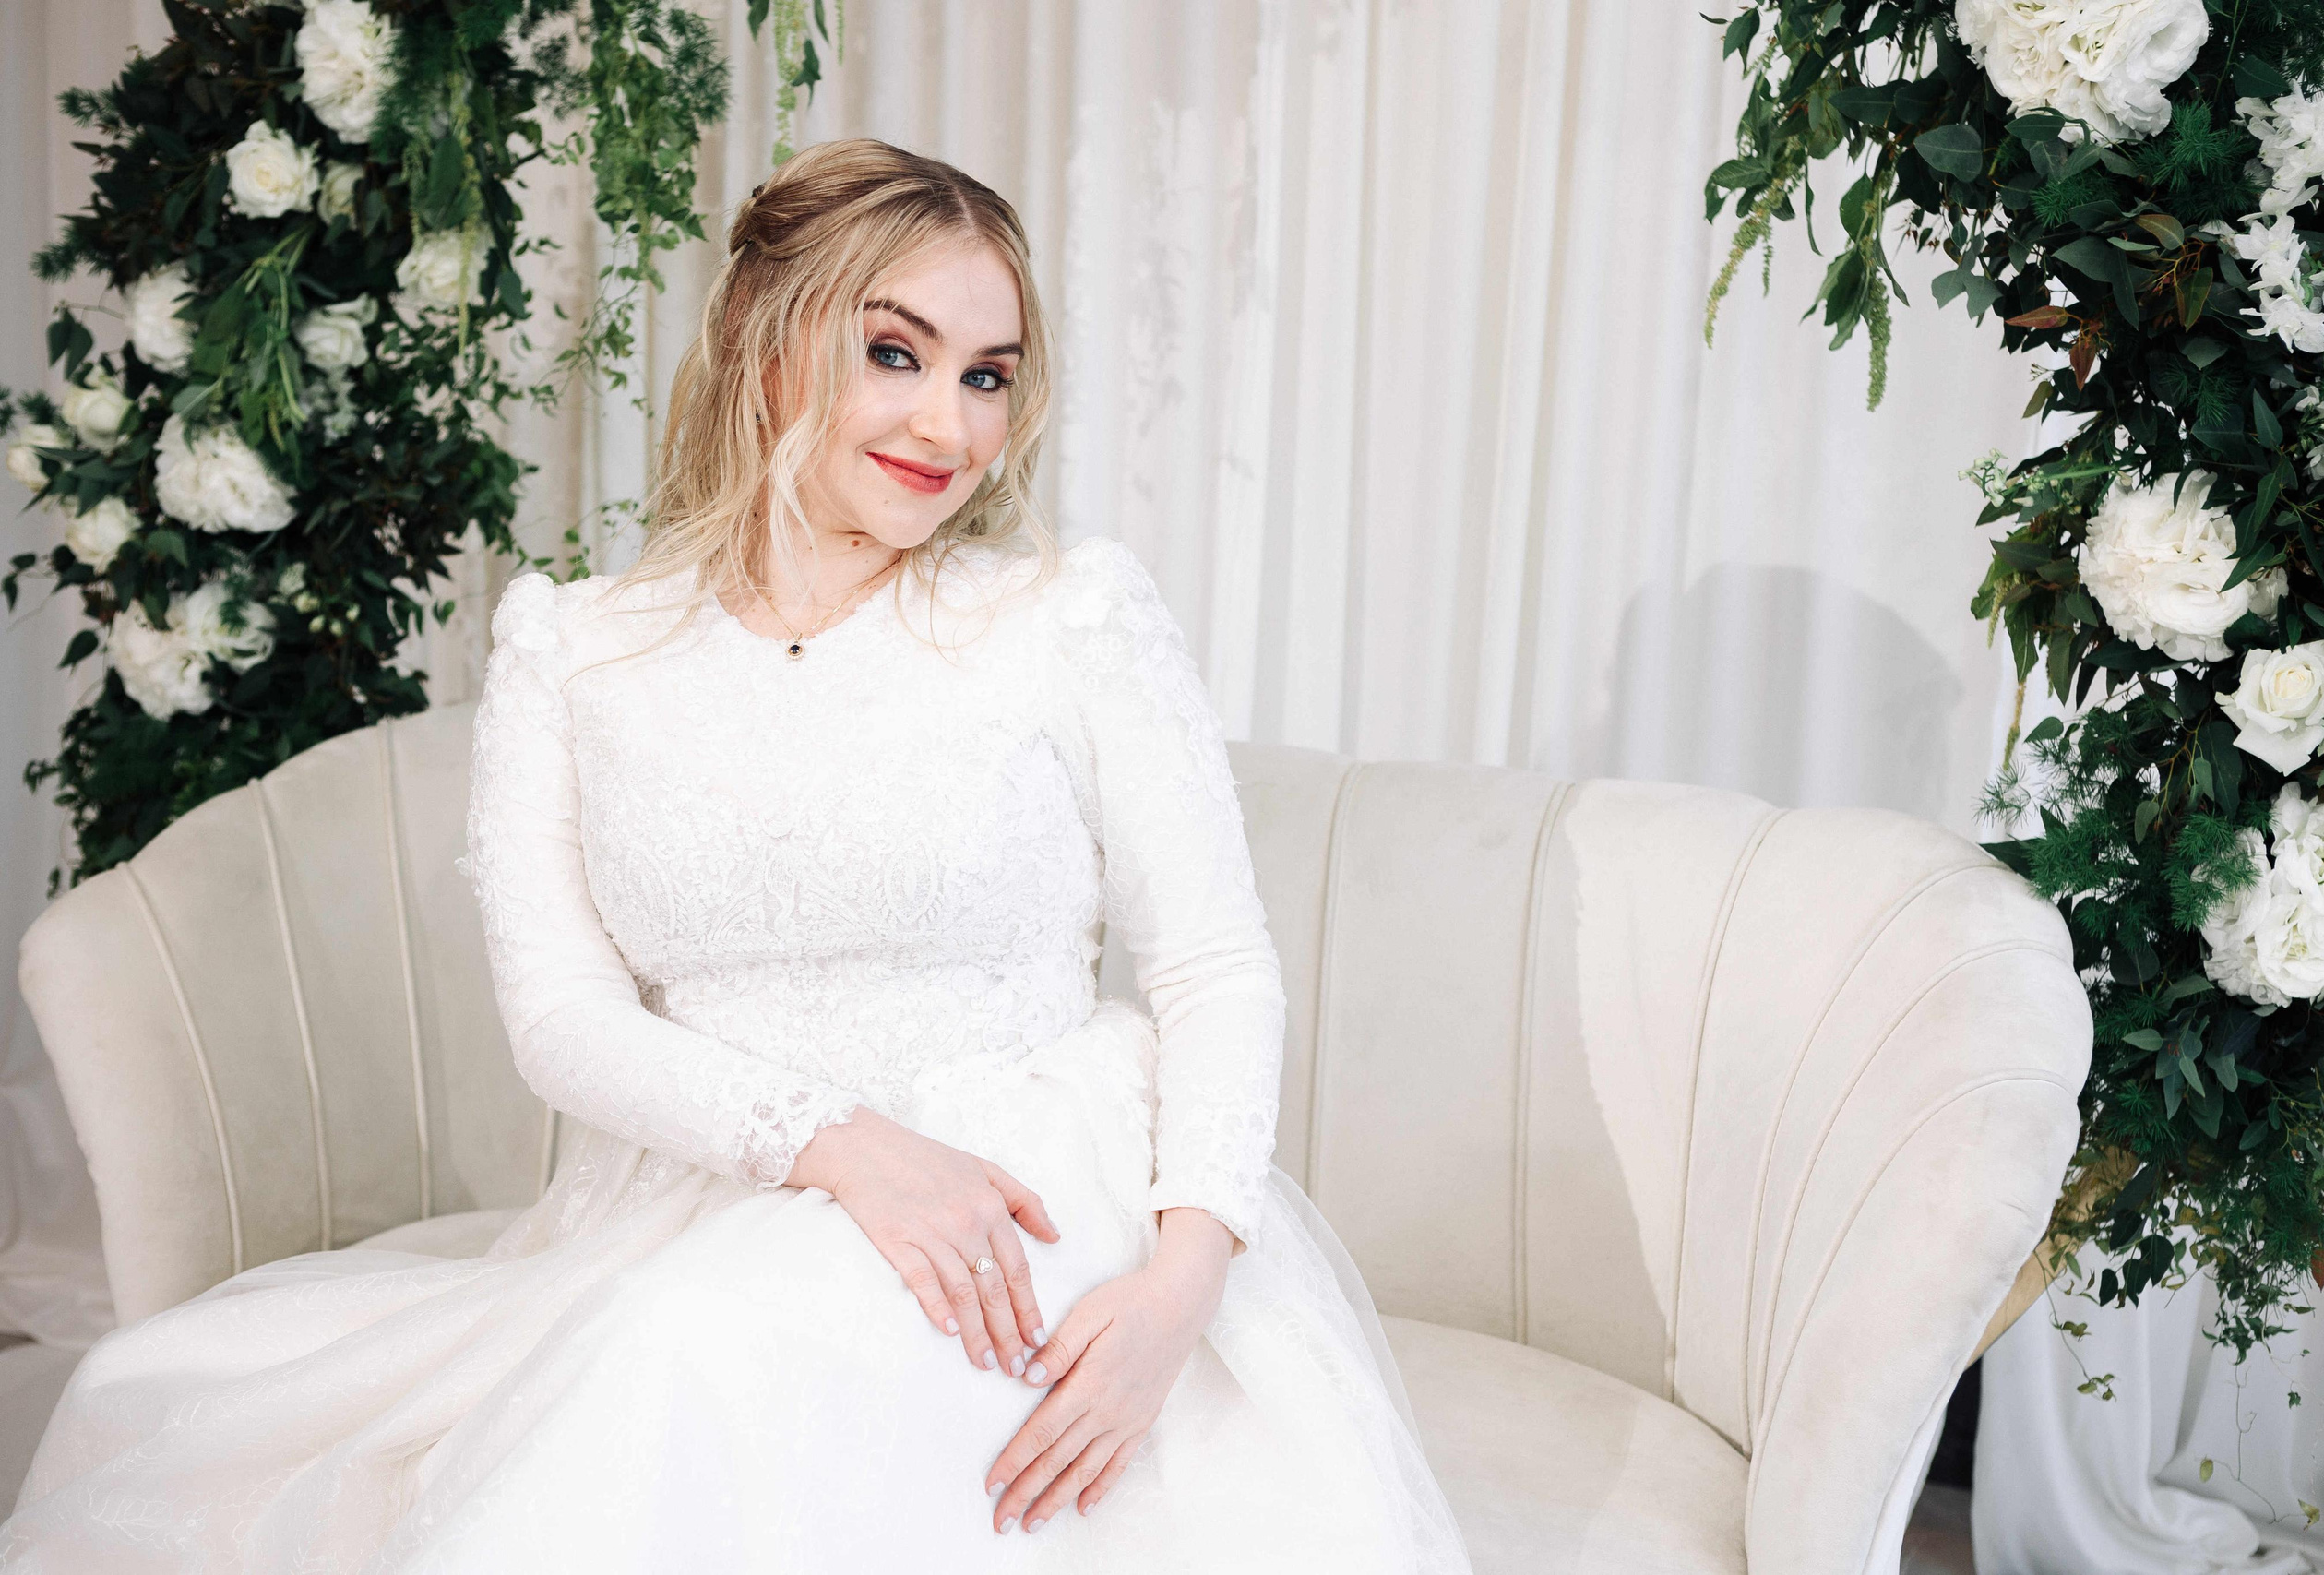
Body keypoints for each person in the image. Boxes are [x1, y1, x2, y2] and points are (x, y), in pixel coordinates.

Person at [0, 137, 1471, 1572]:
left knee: (688, 1360)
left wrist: (1182, 1285)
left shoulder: (1065, 618)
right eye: (894, 353)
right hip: (713, 1200)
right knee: (171, 1406)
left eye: (987, 375)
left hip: (1029, 1196)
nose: (949, 428)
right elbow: (562, 1022)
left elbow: (1213, 959)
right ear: (768, 344)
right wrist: (842, 1149)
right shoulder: (576, 653)